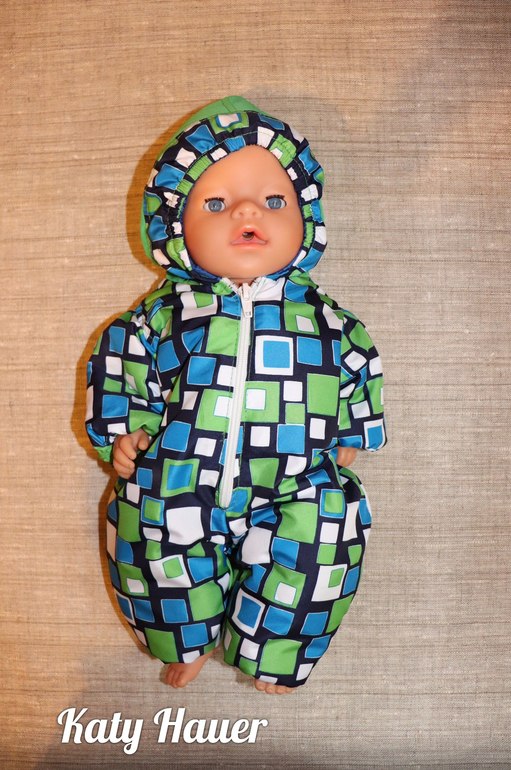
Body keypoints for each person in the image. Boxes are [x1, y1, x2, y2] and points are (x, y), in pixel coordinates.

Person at [85, 95, 387, 694]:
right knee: (147, 522)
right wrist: (124, 432)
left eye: (274, 201)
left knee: (330, 527)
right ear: (175, 228)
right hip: (182, 467)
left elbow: (358, 364)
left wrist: (352, 429)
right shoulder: (162, 316)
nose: (248, 210)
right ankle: (186, 636)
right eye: (216, 203)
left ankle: (275, 647)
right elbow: (122, 364)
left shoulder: (327, 320)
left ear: (306, 222)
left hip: (294, 473)